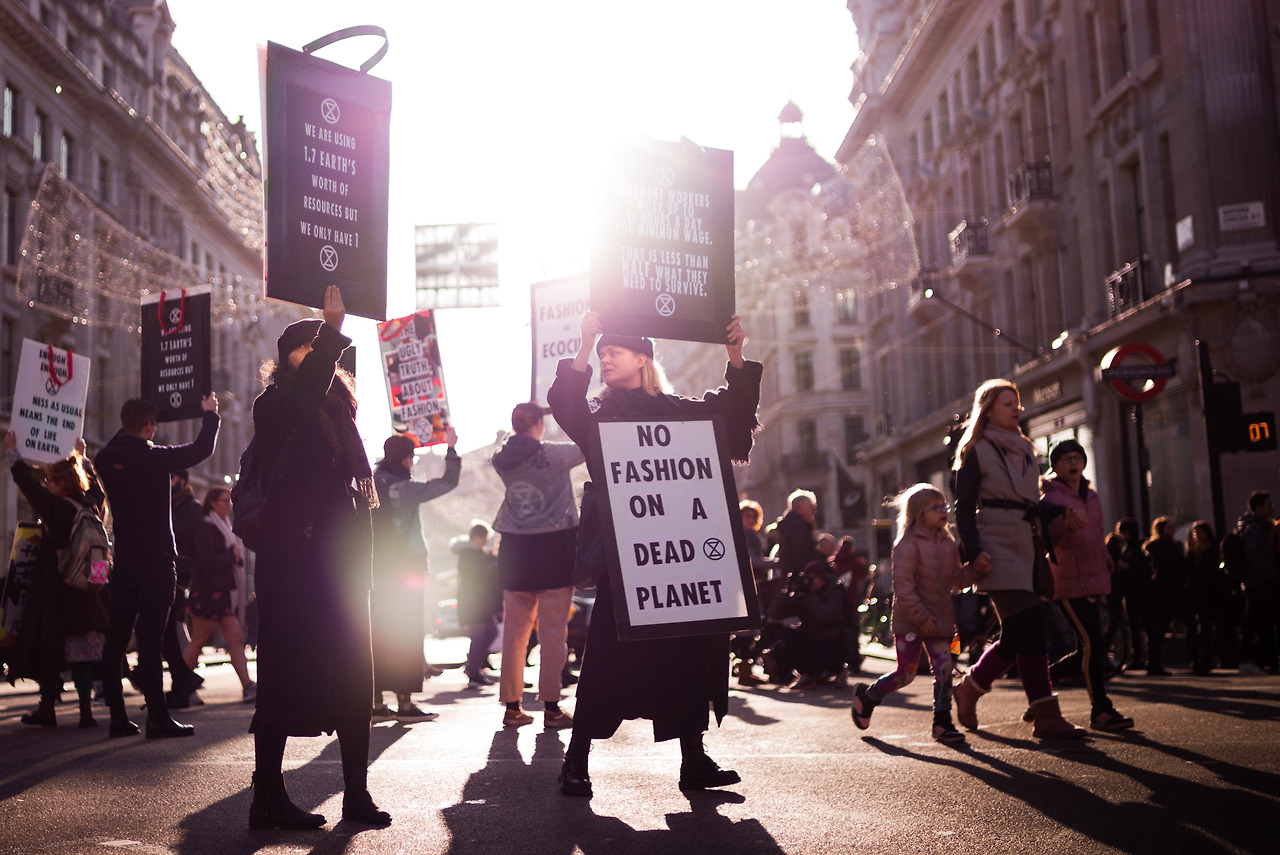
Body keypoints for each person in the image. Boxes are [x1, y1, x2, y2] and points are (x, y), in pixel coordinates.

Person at [549, 310, 761, 797]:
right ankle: (575, 761)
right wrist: (583, 342)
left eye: (613, 353)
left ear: (643, 359)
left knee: (685, 656)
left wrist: (734, 354)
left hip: (681, 564)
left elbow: (733, 417)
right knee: (605, 661)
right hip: (627, 566)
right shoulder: (599, 416)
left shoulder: (678, 410)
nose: (605, 360)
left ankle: (694, 761)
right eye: (601, 355)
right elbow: (565, 402)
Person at [246, 286, 389, 829]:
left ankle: (356, 794)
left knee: (355, 677)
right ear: (288, 362)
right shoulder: (275, 406)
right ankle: (268, 798)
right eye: (307, 350)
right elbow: (302, 395)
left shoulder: (339, 416)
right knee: (284, 680)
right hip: (294, 567)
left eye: (320, 350)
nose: (318, 359)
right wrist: (332, 331)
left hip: (341, 569)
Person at [950, 379, 1086, 739]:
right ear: (989, 409)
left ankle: (970, 688)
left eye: (1018, 403)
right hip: (994, 546)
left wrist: (1061, 511)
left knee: (1015, 635)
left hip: (1026, 543)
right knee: (1032, 625)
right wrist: (974, 550)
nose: (1017, 408)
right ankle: (1045, 713)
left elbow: (1033, 500)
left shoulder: (1025, 448)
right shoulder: (976, 449)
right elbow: (963, 508)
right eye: (1008, 403)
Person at [95, 394, 219, 739]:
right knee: (150, 641)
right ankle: (159, 718)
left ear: (123, 423)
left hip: (125, 561)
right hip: (157, 560)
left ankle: (118, 719)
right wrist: (210, 415)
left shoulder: (105, 458)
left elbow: (113, 447)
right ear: (149, 426)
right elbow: (200, 449)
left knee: (116, 639)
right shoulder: (154, 457)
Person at [851, 484, 989, 742]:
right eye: (935, 507)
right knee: (906, 674)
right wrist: (921, 617)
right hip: (910, 624)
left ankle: (942, 722)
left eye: (944, 506)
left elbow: (956, 580)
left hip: (943, 622)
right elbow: (903, 588)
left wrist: (975, 570)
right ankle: (868, 696)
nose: (942, 511)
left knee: (946, 671)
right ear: (918, 513)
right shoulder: (906, 545)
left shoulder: (948, 542)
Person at [491, 400, 585, 728]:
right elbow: (590, 443)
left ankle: (512, 707)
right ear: (539, 424)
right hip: (554, 548)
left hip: (516, 550)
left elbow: (514, 451)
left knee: (515, 635)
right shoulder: (556, 454)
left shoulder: (501, 460)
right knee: (553, 633)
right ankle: (552, 708)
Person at [4, 434, 109, 728]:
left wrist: (14, 453)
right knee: (83, 654)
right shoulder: (90, 505)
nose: (47, 484)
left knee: (48, 649)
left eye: (51, 480)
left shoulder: (57, 508)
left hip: (56, 588)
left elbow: (27, 485)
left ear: (62, 483)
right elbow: (99, 492)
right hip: (87, 591)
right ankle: (86, 712)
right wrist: (83, 459)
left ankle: (47, 707)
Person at [1040, 440, 1134, 731]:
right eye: (1066, 458)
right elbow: (1048, 540)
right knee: (1092, 643)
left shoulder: (1092, 496)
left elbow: (1096, 534)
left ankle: (1039, 692)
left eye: (1078, 457)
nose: (1073, 462)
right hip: (1066, 580)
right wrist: (1064, 524)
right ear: (1055, 466)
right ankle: (1101, 711)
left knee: (1087, 649)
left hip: (1094, 577)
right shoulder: (1050, 500)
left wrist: (1106, 556)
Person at [371, 428, 460, 722]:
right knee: (406, 631)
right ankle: (405, 704)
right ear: (407, 459)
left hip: (374, 567)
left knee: (376, 632)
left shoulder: (368, 484)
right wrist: (450, 449)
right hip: (406, 567)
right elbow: (447, 482)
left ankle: (375, 703)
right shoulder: (403, 489)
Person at [181, 486, 255, 701]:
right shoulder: (206, 526)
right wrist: (232, 556)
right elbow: (207, 560)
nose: (229, 505)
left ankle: (247, 685)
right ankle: (182, 686)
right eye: (224, 501)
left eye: (229, 501)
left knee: (235, 638)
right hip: (206, 592)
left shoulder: (222, 524)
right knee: (198, 641)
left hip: (221, 592)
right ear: (212, 502)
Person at [767, 558, 854, 691]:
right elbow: (775, 614)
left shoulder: (835, 591)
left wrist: (809, 596)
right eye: (806, 578)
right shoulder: (804, 592)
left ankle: (839, 671)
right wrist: (787, 591)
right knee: (788, 633)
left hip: (833, 642)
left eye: (812, 578)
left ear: (821, 579)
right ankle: (807, 675)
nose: (808, 581)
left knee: (829, 649)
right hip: (812, 638)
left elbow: (826, 616)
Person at [166, 469, 206, 709]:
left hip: (179, 575)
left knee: (172, 628)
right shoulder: (172, 504)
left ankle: (183, 682)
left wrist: (163, 507)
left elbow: (182, 532)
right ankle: (182, 682)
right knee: (168, 629)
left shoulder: (191, 506)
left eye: (170, 478)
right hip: (166, 570)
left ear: (180, 479)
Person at [452, 522, 503, 689]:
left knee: (490, 633)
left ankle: (473, 665)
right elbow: (476, 576)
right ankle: (474, 671)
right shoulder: (468, 554)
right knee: (479, 636)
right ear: (477, 537)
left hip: (481, 603)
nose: (486, 541)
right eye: (485, 538)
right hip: (474, 603)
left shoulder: (478, 554)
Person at [732, 499, 776, 686]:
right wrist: (777, 562)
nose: (750, 519)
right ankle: (743, 671)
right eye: (746, 515)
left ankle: (745, 669)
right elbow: (752, 560)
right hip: (742, 586)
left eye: (753, 516)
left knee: (750, 628)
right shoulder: (742, 534)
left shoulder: (752, 534)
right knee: (745, 628)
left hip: (751, 584)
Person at [1236, 491, 1277, 674]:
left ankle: (1266, 659)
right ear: (1259, 507)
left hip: (1259, 580)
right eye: (1269, 504)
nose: (1272, 507)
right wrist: (1271, 572)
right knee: (1254, 620)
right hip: (1258, 582)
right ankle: (1246, 659)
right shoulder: (1254, 528)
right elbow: (1253, 554)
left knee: (1264, 620)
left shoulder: (1260, 526)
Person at [1143, 516, 1188, 676]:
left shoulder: (1153, 547)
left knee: (1159, 628)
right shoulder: (1166, 546)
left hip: (1163, 591)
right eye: (1169, 527)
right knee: (1161, 626)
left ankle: (1153, 662)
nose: (1172, 529)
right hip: (1167, 591)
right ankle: (1154, 662)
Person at [1107, 517, 1151, 672]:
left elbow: (1144, 568)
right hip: (1130, 591)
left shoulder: (1136, 547)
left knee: (1139, 625)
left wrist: (1129, 567)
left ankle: (1141, 657)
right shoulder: (1128, 547)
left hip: (1137, 591)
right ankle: (1138, 657)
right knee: (1134, 626)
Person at [1186, 521, 1228, 675]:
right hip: (1201, 594)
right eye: (1196, 533)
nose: (1198, 536)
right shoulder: (1194, 550)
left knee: (1218, 625)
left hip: (1215, 592)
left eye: (1200, 532)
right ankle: (1206, 657)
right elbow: (1192, 569)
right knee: (1204, 626)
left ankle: (1220, 655)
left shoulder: (1214, 548)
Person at [773, 490, 822, 580]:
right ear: (801, 507)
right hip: (800, 581)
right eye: (811, 507)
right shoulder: (798, 527)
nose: (814, 511)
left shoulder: (792, 525)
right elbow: (801, 558)